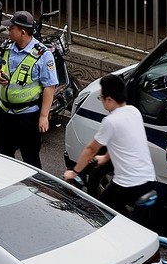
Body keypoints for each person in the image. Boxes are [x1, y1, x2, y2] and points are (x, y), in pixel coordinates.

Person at [64, 74, 156, 216]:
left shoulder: (111, 121)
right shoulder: (134, 111)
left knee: (104, 210)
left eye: (101, 98)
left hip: (128, 183)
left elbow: (91, 149)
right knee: (120, 212)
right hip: (148, 179)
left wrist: (74, 172)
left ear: (109, 99)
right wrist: (106, 158)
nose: (101, 101)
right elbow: (121, 141)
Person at [0, 10, 58, 169]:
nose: (8, 31)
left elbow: (50, 86)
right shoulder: (6, 46)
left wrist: (44, 116)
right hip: (5, 113)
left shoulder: (43, 54)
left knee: (30, 160)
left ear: (22, 32)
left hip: (27, 116)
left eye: (11, 28)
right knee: (1, 157)